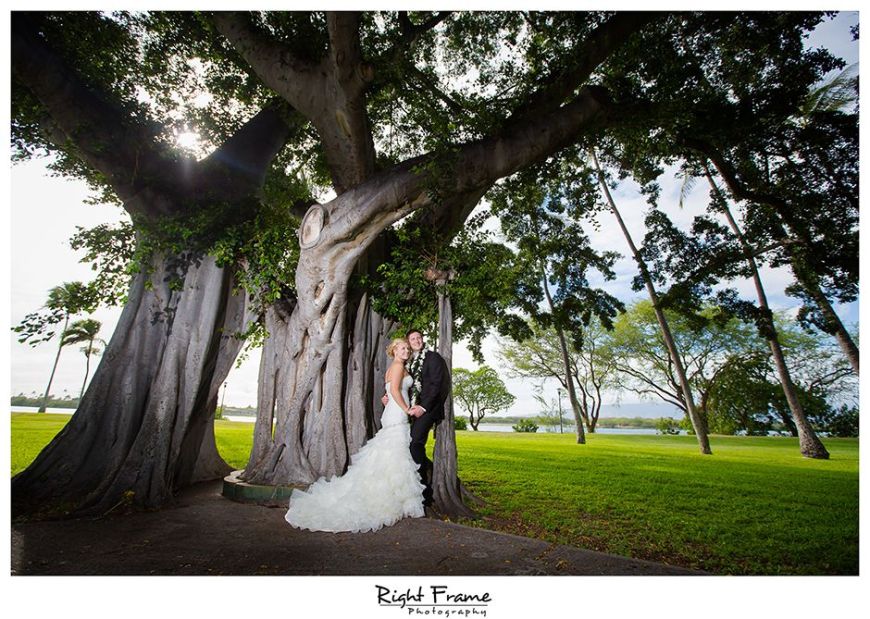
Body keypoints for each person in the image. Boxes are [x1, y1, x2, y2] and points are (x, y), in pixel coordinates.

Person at [284, 337, 425, 533]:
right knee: (396, 452)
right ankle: (395, 498)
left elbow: (387, 393)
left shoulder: (392, 368)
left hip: (391, 412)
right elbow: (393, 390)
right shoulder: (398, 367)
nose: (406, 351)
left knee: (390, 453)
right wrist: (407, 408)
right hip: (398, 413)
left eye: (407, 349)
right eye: (402, 348)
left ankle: (392, 494)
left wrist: (391, 402)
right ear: (394, 351)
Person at [403, 328, 451, 508]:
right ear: (409, 342)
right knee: (409, 444)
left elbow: (438, 385)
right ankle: (417, 482)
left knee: (415, 443)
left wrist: (423, 407)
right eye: (412, 338)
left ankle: (424, 492)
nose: (416, 340)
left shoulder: (433, 358)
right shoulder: (410, 362)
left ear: (423, 339)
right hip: (411, 409)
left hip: (428, 409)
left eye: (418, 337)